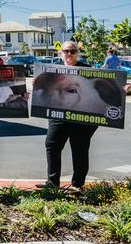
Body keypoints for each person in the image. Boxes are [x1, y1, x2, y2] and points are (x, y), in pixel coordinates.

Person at [36, 41, 98, 190]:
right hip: (58, 115)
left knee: (80, 149)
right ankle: (52, 183)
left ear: (77, 53)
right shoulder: (52, 71)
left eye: (72, 51)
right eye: (66, 51)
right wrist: (36, 83)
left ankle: (78, 184)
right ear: (60, 53)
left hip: (81, 117)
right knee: (51, 145)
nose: (69, 54)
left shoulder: (88, 70)